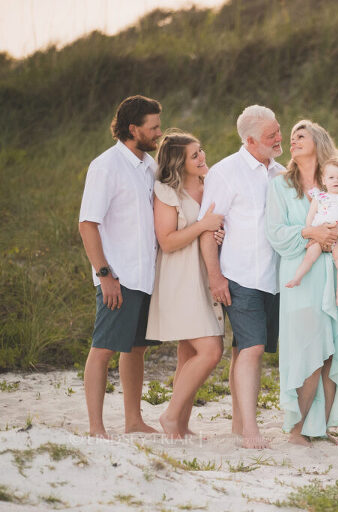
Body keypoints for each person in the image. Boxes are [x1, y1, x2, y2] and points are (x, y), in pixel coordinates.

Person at [266, 120, 338, 446]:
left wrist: (337, 235)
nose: (293, 141)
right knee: (308, 351)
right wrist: (311, 234)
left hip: (336, 277)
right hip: (301, 275)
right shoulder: (281, 185)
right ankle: (297, 430)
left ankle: (320, 428)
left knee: (332, 353)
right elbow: (276, 233)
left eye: (300, 136)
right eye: (291, 137)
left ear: (319, 141)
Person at [198, 105, 283, 449]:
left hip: (275, 277)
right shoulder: (225, 172)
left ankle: (238, 424)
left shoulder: (281, 172)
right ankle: (250, 429)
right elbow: (208, 229)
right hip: (240, 275)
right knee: (252, 349)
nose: (279, 139)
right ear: (249, 140)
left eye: (279, 131)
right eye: (270, 136)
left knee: (242, 350)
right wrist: (215, 277)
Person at [78, 95, 163, 438]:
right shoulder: (106, 166)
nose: (159, 132)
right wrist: (104, 274)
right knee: (103, 348)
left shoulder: (150, 167)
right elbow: (88, 223)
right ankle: (96, 428)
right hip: (118, 275)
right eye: (153, 127)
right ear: (133, 129)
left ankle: (133, 421)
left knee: (136, 348)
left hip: (146, 277)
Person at [145, 131, 225, 439]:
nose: (202, 157)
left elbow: (218, 226)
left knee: (188, 355)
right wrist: (202, 226)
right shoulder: (167, 193)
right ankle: (169, 415)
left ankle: (180, 424)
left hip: (205, 275)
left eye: (201, 151)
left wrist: (218, 234)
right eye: (195, 155)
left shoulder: (211, 185)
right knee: (210, 350)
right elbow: (167, 241)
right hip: (180, 279)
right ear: (180, 163)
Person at [286, 159, 338, 307]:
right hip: (319, 235)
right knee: (310, 257)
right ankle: (297, 278)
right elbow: (311, 215)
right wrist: (311, 230)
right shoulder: (319, 197)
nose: (336, 181)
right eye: (331, 178)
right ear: (324, 180)